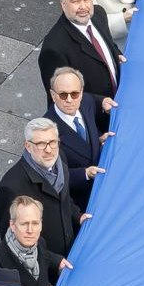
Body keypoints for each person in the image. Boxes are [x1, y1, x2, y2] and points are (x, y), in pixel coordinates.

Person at [0, 115, 83, 257]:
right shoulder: (11, 187)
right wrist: (55, 262)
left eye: (52, 142)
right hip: (46, 267)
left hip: (70, 250)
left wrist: (78, 215)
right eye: (40, 144)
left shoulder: (59, 157)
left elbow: (65, 198)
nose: (49, 150)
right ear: (28, 146)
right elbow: (13, 241)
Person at [38, 0, 122, 110]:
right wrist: (99, 103)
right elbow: (61, 99)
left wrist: (116, 54)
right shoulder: (53, 48)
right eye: (75, 1)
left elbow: (109, 44)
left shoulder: (99, 14)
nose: (83, 6)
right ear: (63, 4)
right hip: (96, 120)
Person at [0, 191, 58, 286]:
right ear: (13, 225)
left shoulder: (40, 244)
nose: (30, 230)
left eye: (35, 223)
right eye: (24, 224)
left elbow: (39, 277)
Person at [43, 66, 107, 200]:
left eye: (74, 94)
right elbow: (51, 176)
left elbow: (90, 129)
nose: (69, 100)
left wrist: (99, 138)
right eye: (63, 95)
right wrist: (85, 174)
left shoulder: (86, 102)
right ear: (53, 96)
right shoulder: (45, 132)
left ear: (81, 93)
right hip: (82, 196)